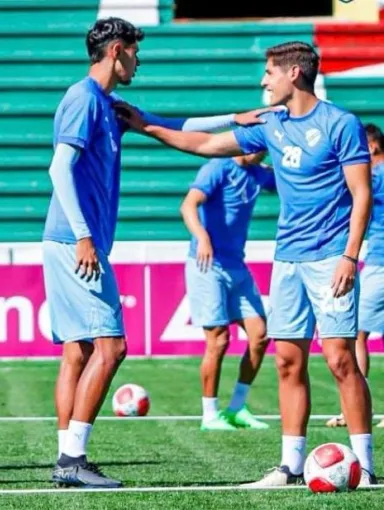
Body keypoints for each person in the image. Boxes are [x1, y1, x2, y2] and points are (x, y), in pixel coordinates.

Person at [118, 41, 376, 487]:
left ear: (294, 73)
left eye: (269, 73)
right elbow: (205, 143)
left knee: (340, 360)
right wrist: (146, 127)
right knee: (287, 362)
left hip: (332, 256)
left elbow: (362, 194)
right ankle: (289, 466)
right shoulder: (271, 124)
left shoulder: (341, 124)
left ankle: (365, 466)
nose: (263, 81)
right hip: (287, 260)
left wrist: (350, 256)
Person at [45, 17, 274, 489]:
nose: (138, 61)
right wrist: (84, 236)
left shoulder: (108, 104)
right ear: (116, 50)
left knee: (79, 350)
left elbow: (173, 126)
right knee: (112, 347)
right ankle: (72, 459)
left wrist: (235, 119)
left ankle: (68, 456)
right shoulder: (84, 99)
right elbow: (59, 168)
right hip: (75, 241)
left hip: (66, 240)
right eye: (134, 52)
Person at [180, 153, 275, 431]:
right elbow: (188, 205)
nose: (260, 150)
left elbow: (290, 180)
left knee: (260, 335)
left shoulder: (258, 172)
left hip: (236, 265)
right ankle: (210, 415)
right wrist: (202, 237)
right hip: (207, 265)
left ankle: (236, 408)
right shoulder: (217, 168)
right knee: (218, 340)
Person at [328, 123, 384, 429]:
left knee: (357, 333)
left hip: (380, 263)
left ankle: (355, 409)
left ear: (372, 146)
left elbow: (345, 186)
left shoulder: (375, 175)